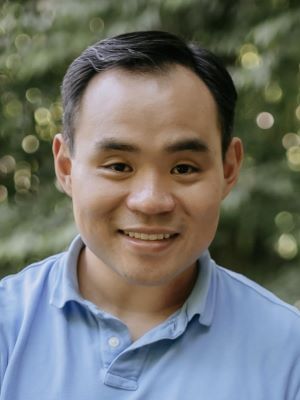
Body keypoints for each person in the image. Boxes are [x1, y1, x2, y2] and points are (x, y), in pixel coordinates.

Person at [0, 30, 299, 399]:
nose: (150, 201)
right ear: (65, 167)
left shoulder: (289, 353)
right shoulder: (7, 327)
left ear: (229, 169)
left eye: (184, 168)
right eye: (118, 166)